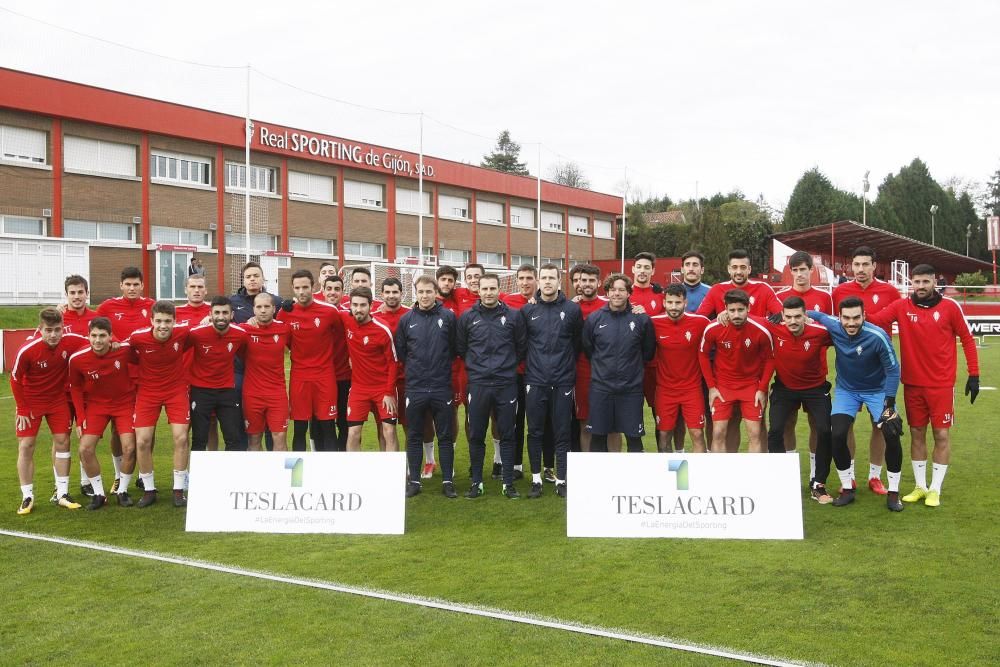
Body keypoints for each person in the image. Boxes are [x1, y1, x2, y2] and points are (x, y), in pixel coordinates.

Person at [867, 264, 980, 507]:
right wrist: (852, 310)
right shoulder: (902, 306)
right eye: (916, 282)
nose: (920, 286)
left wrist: (974, 375)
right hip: (912, 385)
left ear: (934, 283)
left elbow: (968, 340)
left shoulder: (950, 307)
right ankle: (920, 486)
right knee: (917, 434)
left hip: (940, 385)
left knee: (941, 434)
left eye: (925, 282)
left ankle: (935, 489)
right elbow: (875, 320)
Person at [808, 297, 905, 511]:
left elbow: (893, 369)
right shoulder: (834, 326)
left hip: (877, 391)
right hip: (847, 391)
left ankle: (894, 492)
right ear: (840, 317)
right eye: (847, 318)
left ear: (864, 316)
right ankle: (847, 488)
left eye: (856, 318)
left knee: (891, 432)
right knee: (838, 433)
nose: (851, 323)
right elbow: (817, 315)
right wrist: (787, 315)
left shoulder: (878, 336)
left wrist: (889, 402)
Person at [832, 246, 901, 496]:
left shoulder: (890, 291)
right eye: (856, 265)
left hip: (878, 373)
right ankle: (848, 477)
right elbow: (834, 325)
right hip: (849, 375)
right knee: (844, 426)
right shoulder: (840, 291)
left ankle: (875, 476)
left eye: (865, 264)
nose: (860, 269)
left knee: (880, 426)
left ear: (874, 266)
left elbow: (898, 320)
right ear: (851, 266)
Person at [10, 308, 89, 514]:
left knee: (63, 442)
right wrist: (22, 408)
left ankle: (62, 493)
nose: (53, 335)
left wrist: (114, 340)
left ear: (63, 328)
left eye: (57, 330)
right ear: (40, 330)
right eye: (48, 330)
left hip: (57, 401)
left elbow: (94, 339)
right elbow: (15, 379)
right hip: (31, 401)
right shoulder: (27, 350)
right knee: (26, 445)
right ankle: (27, 496)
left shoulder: (70, 340)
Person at [457, 273, 527, 499]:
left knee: (508, 433)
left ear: (499, 290)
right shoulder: (467, 317)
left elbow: (521, 348)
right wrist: (478, 368)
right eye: (484, 289)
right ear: (478, 290)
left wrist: (504, 368)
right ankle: (477, 482)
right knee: (477, 434)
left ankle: (508, 483)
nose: (488, 293)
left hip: (506, 383)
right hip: (477, 384)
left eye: (492, 289)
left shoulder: (514, 317)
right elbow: (461, 347)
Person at [761, 296, 834, 502]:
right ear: (782, 316)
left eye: (798, 316)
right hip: (785, 388)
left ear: (805, 316)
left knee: (823, 430)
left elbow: (842, 333)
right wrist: (721, 314)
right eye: (789, 317)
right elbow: (747, 318)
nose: (793, 321)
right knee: (775, 431)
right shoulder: (774, 328)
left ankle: (818, 484)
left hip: (815, 388)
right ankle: (782, 480)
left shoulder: (820, 333)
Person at [395, 275, 459, 498]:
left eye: (428, 292)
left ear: (435, 293)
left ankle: (448, 481)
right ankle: (414, 482)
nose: (424, 296)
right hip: (416, 387)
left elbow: (454, 348)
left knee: (445, 435)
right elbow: (402, 352)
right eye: (420, 292)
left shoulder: (448, 317)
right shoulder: (406, 320)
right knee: (414, 435)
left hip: (442, 386)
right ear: (416, 293)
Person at [521, 263, 582, 498]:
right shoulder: (528, 311)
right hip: (535, 380)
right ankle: (536, 479)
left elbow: (577, 343)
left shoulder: (572, 310)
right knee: (535, 431)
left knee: (562, 432)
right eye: (543, 277)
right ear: (538, 280)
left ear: (559, 280)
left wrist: (564, 366)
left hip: (563, 381)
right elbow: (522, 344)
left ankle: (562, 480)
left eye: (551, 278)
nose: (547, 282)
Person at [774, 250, 834, 477]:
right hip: (786, 376)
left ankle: (814, 474)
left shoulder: (824, 297)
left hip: (816, 374)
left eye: (803, 269)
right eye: (795, 270)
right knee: (787, 423)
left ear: (812, 270)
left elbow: (830, 331)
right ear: (790, 272)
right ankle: (790, 472)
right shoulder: (779, 298)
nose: (799, 274)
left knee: (817, 425)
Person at [95, 267, 155, 494]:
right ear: (121, 285)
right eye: (127, 284)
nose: (132, 288)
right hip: (117, 376)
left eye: (136, 284)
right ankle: (119, 474)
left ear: (142, 286)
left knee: (147, 429)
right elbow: (92, 324)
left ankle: (143, 474)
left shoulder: (151, 305)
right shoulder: (108, 306)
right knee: (117, 429)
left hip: (146, 375)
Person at [126, 301, 191, 508]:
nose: (163, 325)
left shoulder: (183, 334)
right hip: (148, 393)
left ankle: (178, 489)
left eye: (168, 321)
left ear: (174, 321)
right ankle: (148, 489)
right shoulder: (137, 338)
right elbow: (123, 351)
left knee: (181, 438)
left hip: (176, 391)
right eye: (159, 321)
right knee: (143, 441)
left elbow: (202, 330)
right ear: (151, 321)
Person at [581, 273, 655, 454]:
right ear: (607, 292)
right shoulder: (594, 319)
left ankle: (634, 481)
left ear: (629, 293)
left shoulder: (641, 319)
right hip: (601, 388)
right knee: (597, 437)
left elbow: (648, 352)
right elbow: (589, 349)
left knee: (634, 439)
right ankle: (598, 481)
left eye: (622, 290)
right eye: (613, 290)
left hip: (630, 390)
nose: (617, 294)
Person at [69, 317, 136, 509]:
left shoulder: (123, 350)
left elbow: (143, 360)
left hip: (124, 404)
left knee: (130, 448)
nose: (97, 340)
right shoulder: (77, 359)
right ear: (88, 336)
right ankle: (98, 494)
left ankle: (122, 490)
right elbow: (75, 388)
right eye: (93, 335)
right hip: (96, 407)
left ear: (110, 337)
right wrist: (80, 418)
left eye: (102, 336)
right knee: (85, 449)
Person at [699, 289, 774, 453]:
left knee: (754, 433)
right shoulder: (713, 328)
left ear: (748, 308)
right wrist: (711, 387)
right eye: (732, 310)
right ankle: (721, 476)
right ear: (725, 309)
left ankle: (753, 476)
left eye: (740, 310)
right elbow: (703, 355)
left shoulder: (762, 328)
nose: (736, 315)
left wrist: (761, 389)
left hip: (751, 386)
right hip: (723, 386)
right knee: (718, 432)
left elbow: (770, 359)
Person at [281, 269, 344, 451]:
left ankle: (329, 475)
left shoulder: (329, 311)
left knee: (328, 427)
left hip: (325, 377)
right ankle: (299, 478)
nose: (302, 292)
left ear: (313, 287)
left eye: (305, 287)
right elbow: (273, 331)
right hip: (299, 377)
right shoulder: (286, 313)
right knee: (300, 429)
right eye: (297, 288)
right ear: (292, 288)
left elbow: (344, 332)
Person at [501, 264, 552, 482]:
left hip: (539, 373)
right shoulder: (506, 301)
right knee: (515, 421)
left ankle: (546, 467)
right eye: (521, 278)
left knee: (540, 422)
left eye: (529, 278)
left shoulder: (546, 302)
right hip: (514, 373)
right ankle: (516, 465)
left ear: (537, 281)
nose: (525, 282)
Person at [650, 284, 710, 453]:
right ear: (664, 302)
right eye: (670, 302)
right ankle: (667, 476)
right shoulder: (653, 323)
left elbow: (717, 332)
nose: (674, 307)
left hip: (692, 389)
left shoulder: (700, 322)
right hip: (665, 389)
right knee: (664, 434)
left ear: (685, 302)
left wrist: (723, 316)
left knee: (697, 433)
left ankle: (701, 476)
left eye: (678, 302)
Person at [341, 287, 400, 454]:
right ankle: (353, 476)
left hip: (383, 389)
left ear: (371, 306)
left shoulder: (383, 329)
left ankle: (391, 474)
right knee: (353, 433)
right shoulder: (346, 319)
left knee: (388, 431)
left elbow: (393, 363)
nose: (358, 309)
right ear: (350, 305)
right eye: (355, 305)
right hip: (359, 388)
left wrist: (389, 392)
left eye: (362, 305)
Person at [186, 296, 248, 451]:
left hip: (227, 390)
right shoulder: (196, 333)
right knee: (199, 438)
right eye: (217, 312)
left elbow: (245, 354)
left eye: (225, 312)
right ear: (210, 314)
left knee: (233, 438)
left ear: (232, 314)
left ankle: (228, 475)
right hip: (201, 390)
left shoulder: (240, 334)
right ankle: (199, 475)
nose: (221, 317)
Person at [242, 293, 291, 452]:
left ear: (274, 309)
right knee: (254, 439)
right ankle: (258, 477)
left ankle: (281, 476)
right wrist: (207, 319)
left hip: (277, 395)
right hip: (252, 394)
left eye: (267, 307)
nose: (263, 310)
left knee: (279, 437)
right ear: (254, 309)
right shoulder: (244, 330)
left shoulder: (283, 329)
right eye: (259, 307)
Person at [571, 263, 607, 453]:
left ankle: (611, 469)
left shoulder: (609, 305)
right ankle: (587, 470)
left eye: (591, 280)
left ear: (599, 283)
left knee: (609, 423)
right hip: (581, 371)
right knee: (585, 422)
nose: (587, 284)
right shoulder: (571, 307)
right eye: (583, 280)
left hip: (607, 372)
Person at [373, 278, 410, 454]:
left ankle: (410, 468)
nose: (391, 295)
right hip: (383, 381)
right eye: (387, 292)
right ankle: (386, 467)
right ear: (381, 294)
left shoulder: (411, 314)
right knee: (384, 427)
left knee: (409, 426)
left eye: (395, 292)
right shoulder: (374, 316)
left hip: (407, 380)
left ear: (401, 294)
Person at [697, 249, 781, 319]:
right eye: (734, 267)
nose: (739, 272)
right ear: (729, 269)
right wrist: (717, 321)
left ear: (749, 269)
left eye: (743, 267)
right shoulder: (716, 289)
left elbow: (782, 314)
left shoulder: (763, 289)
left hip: (756, 337)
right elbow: (699, 318)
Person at [630, 252, 663, 424]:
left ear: (653, 271)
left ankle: (663, 451)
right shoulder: (623, 294)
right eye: (640, 267)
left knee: (659, 413)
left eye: (647, 268)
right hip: (631, 364)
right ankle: (637, 450)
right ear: (633, 269)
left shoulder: (661, 295)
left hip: (656, 365)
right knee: (631, 411)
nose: (643, 271)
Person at [322, 274, 352, 451]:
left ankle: (342, 459)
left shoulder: (348, 315)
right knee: (321, 424)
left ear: (342, 293)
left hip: (344, 378)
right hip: (321, 378)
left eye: (337, 289)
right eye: (329, 289)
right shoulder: (314, 313)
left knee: (344, 422)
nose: (333, 293)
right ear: (323, 291)